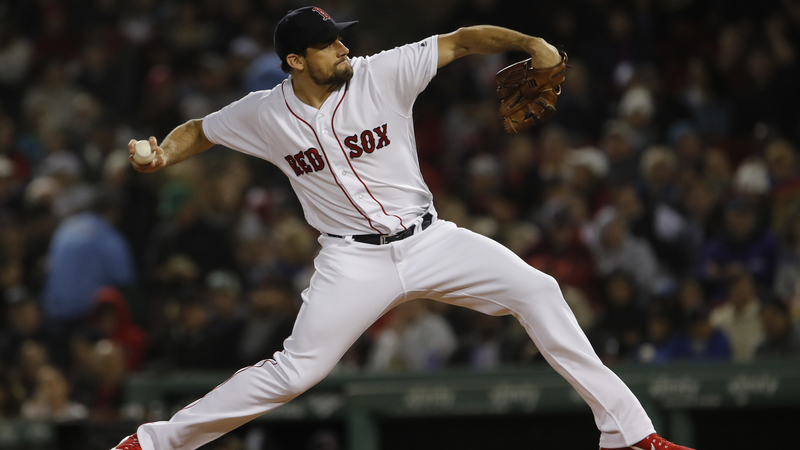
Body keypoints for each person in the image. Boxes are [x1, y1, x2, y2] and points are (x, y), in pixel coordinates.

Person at [113, 7, 693, 450]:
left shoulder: (381, 74)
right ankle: (153, 443)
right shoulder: (266, 113)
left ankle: (629, 435)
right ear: (296, 61)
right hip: (352, 261)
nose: (343, 47)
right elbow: (201, 129)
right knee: (296, 372)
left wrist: (531, 44)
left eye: (341, 38)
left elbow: (463, 40)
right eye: (328, 44)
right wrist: (162, 154)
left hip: (430, 239)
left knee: (539, 290)